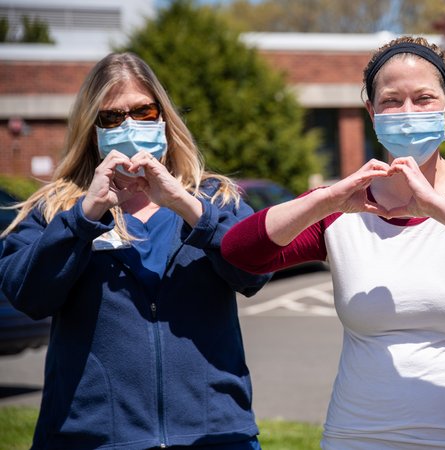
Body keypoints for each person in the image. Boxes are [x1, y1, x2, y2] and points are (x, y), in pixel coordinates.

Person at [221, 36, 445, 449]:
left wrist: (436, 205)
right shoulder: (343, 207)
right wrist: (326, 199)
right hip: (357, 433)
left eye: (423, 98)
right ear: (371, 112)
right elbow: (241, 252)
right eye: (392, 101)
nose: (408, 112)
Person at [0, 53, 271, 449]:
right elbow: (28, 296)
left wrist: (184, 203)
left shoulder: (215, 198)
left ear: (163, 117)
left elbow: (255, 273)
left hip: (214, 436)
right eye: (111, 117)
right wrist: (85, 215)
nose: (129, 125)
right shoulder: (55, 208)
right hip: (90, 438)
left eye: (143, 112)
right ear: (91, 129)